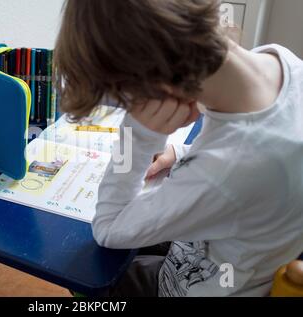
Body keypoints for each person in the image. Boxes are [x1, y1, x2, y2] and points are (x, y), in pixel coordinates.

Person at [54, 0, 303, 296]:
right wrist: (183, 154)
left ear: (159, 89)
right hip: (243, 254)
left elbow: (108, 228)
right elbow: (251, 156)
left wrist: (137, 136)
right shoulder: (280, 60)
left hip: (196, 287)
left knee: (81, 273)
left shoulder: (225, 172)